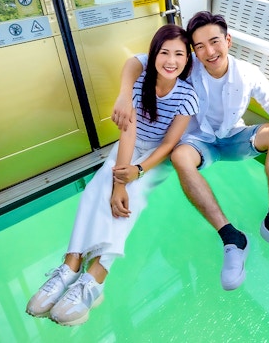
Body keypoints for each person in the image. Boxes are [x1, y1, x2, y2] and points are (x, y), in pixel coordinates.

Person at [113, 11, 269, 291]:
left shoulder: (248, 73)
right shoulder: (187, 65)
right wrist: (123, 93)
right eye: (200, 46)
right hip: (200, 142)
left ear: (228, 40)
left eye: (215, 42)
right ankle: (232, 237)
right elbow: (138, 61)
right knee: (179, 155)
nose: (209, 51)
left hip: (233, 138)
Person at [26, 24, 198, 325]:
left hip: (155, 157)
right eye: (164, 52)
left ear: (187, 60)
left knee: (131, 202)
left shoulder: (187, 95)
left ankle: (97, 276)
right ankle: (71, 263)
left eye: (179, 55)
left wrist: (137, 172)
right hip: (129, 147)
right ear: (153, 54)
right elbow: (128, 131)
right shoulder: (140, 78)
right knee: (96, 191)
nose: (171, 60)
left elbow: (170, 143)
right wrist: (120, 177)